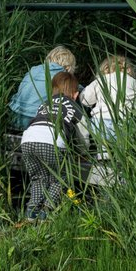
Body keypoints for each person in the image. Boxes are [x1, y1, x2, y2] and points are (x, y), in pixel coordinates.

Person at [20, 72, 90, 221]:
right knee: (60, 179)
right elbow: (84, 129)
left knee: (39, 178)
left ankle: (31, 213)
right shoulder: (72, 104)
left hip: (28, 139)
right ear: (75, 94)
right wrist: (83, 151)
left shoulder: (46, 103)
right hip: (53, 140)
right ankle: (46, 213)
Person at [80, 55, 136, 159]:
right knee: (123, 149)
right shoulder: (132, 81)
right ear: (128, 69)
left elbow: (85, 100)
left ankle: (103, 156)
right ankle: (123, 161)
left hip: (100, 123)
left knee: (103, 147)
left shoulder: (100, 81)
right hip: (124, 122)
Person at [9, 46, 77, 130]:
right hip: (36, 119)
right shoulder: (62, 77)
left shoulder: (34, 69)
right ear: (69, 67)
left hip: (15, 115)